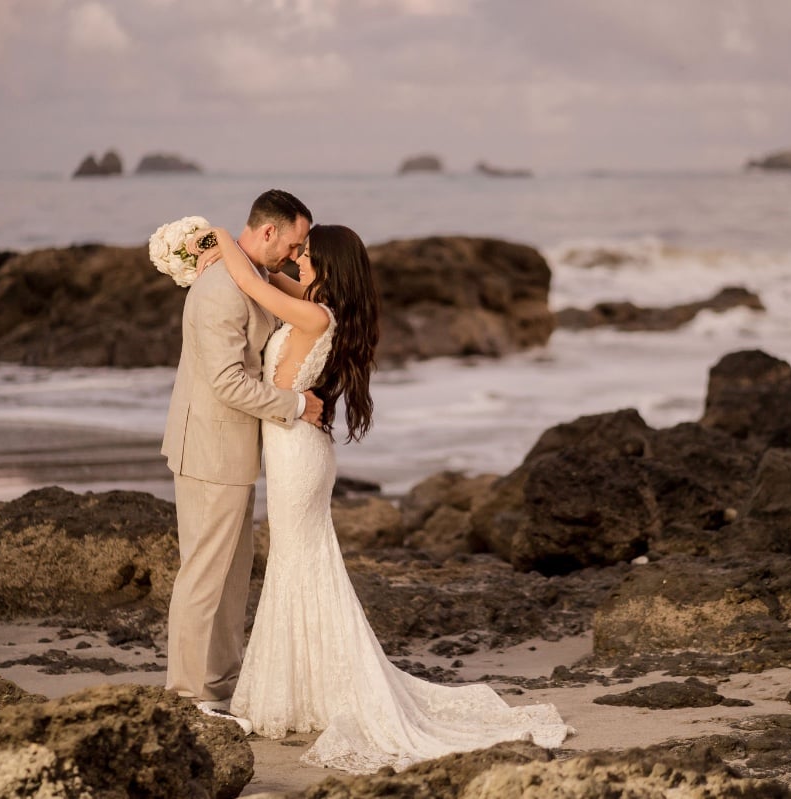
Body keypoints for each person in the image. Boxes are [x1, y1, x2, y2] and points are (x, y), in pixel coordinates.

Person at [191, 222, 573, 773]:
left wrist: (217, 236)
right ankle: (304, 689)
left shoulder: (317, 315)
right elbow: (270, 277)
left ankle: (301, 692)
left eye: (307, 253)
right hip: (299, 448)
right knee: (298, 567)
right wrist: (252, 258)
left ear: (328, 264)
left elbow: (255, 288)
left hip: (298, 454)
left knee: (299, 566)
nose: (298, 257)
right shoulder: (321, 305)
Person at [161, 189, 323, 736]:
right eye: (295, 243)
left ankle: (218, 689)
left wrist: (219, 240)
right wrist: (298, 406)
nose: (296, 256)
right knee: (204, 575)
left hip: (237, 450)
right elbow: (227, 382)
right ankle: (185, 694)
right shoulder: (219, 290)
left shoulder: (250, 275)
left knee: (231, 578)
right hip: (209, 449)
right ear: (270, 231)